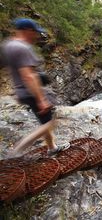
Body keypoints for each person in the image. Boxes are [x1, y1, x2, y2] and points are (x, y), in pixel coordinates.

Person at [1, 18, 69, 157]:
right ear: (27, 31)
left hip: (20, 91)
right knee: (51, 122)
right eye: (35, 32)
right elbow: (29, 76)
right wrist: (41, 99)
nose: (37, 36)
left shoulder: (8, 45)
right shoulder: (23, 48)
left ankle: (52, 148)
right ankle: (17, 150)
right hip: (30, 92)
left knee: (44, 120)